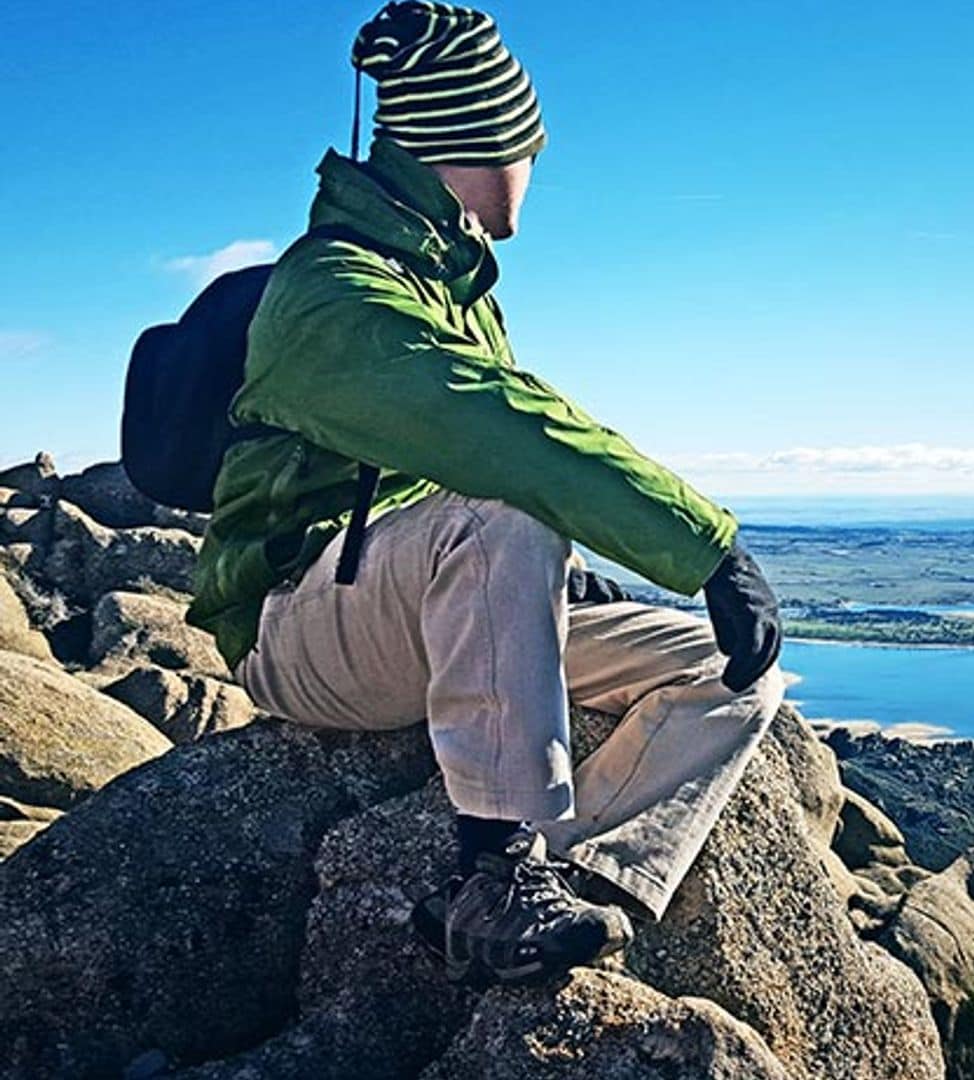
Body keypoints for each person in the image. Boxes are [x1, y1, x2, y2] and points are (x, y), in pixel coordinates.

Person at [184, 0, 784, 985]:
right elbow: (501, 435)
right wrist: (704, 547)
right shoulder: (334, 294)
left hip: (413, 606)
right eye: (527, 148)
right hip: (296, 628)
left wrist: (576, 579)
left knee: (733, 668)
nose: (535, 170)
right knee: (506, 510)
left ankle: (582, 872)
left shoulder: (457, 292)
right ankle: (494, 877)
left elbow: (496, 443)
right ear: (470, 140)